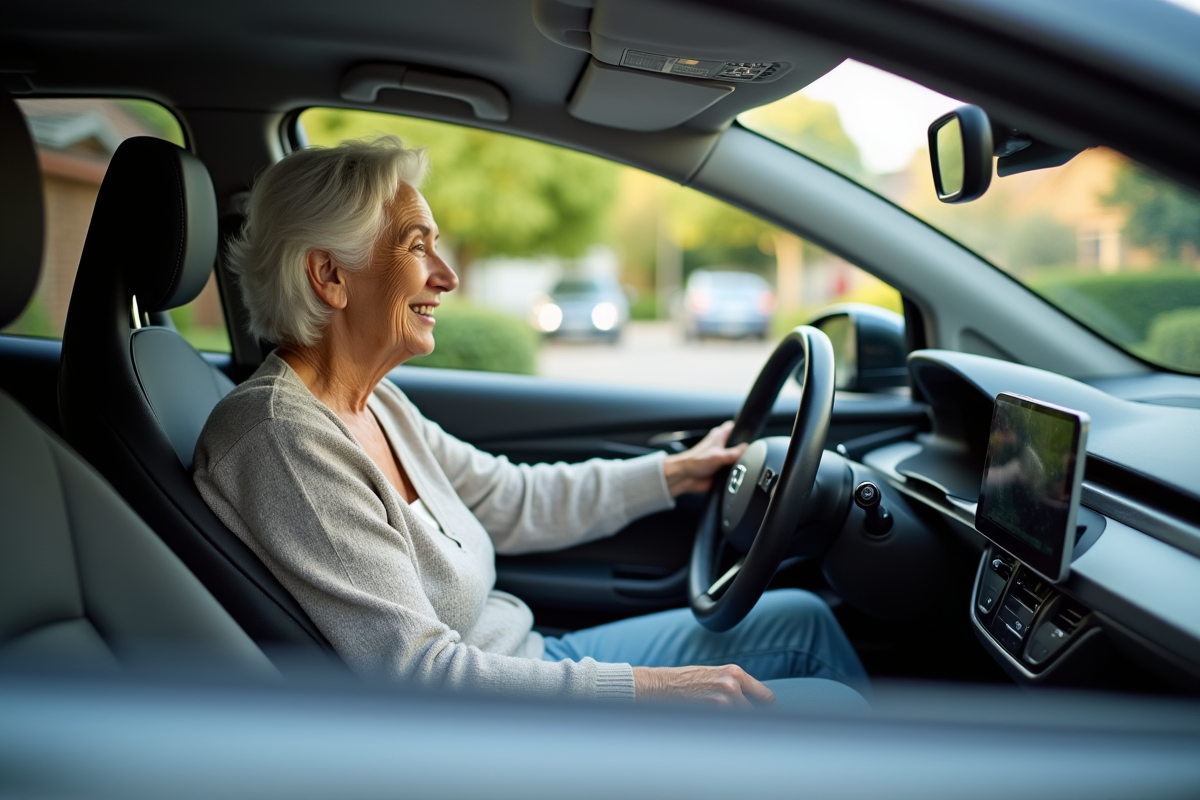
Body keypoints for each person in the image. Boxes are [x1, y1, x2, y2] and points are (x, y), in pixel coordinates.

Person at [193, 136, 868, 708]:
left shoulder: (375, 403)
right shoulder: (280, 441)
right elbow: (426, 679)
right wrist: (655, 691)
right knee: (832, 709)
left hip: (534, 657)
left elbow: (509, 498)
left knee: (803, 620)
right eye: (416, 246)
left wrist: (671, 474)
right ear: (329, 277)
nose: (447, 275)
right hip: (504, 730)